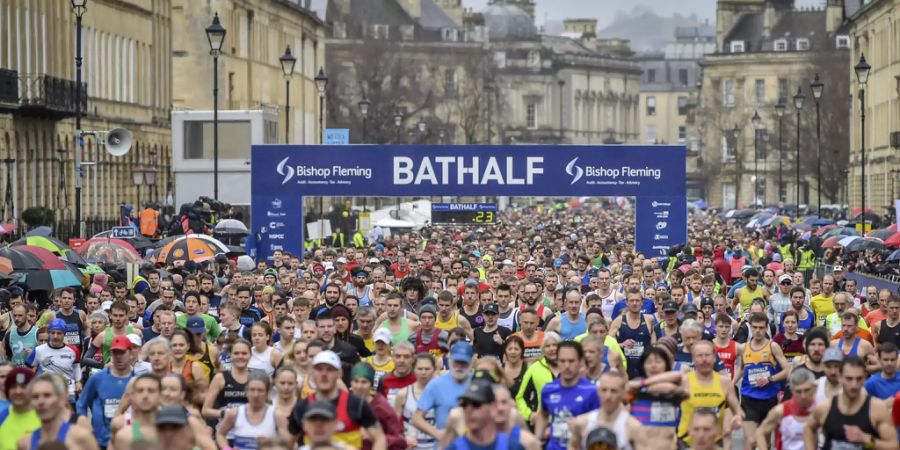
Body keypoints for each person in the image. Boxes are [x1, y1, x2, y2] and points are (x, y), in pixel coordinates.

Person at [285, 350, 385, 450]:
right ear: (312, 372)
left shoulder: (356, 404)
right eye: (319, 369)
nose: (324, 374)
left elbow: (380, 438)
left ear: (339, 373)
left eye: (329, 369)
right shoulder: (302, 406)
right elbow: (288, 442)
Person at [803, 356, 897, 448]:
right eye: (849, 379)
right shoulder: (825, 408)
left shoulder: (876, 409)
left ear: (865, 378)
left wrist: (866, 439)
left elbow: (894, 446)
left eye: (859, 379)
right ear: (840, 377)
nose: (854, 385)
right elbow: (809, 429)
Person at [734, 312, 790, 450]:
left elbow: (787, 371)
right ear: (751, 328)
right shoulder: (744, 348)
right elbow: (742, 369)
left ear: (766, 328)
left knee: (765, 442)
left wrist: (769, 379)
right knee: (752, 441)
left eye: (761, 328)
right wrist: (731, 383)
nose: (758, 331)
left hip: (769, 398)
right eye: (755, 327)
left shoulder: (773, 346)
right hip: (749, 399)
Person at [534, 341, 600, 450]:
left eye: (571, 361)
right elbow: (543, 415)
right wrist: (537, 441)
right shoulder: (549, 389)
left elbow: (601, 423)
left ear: (580, 362)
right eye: (562, 361)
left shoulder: (592, 391)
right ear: (557, 361)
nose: (567, 366)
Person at [76, 335, 135, 449]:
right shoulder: (97, 378)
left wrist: (137, 435)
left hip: (128, 442)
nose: (118, 356)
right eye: (114, 353)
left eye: (122, 352)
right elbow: (81, 404)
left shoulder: (137, 381)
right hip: (101, 442)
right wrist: (85, 427)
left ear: (131, 354)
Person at [411, 342, 473, 444]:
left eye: (463, 362)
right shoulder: (436, 384)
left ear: (471, 362)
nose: (459, 366)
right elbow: (416, 418)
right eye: (456, 361)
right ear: (450, 360)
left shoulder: (478, 382)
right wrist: (437, 434)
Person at [567, 371, 647, 450]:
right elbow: (572, 446)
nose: (608, 396)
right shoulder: (582, 423)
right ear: (598, 391)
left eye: (614, 391)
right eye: (604, 390)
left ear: (623, 393)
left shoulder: (634, 428)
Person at [19, 373, 99, 450]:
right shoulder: (24, 442)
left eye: (47, 395)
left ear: (62, 399)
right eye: (35, 397)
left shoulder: (82, 437)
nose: (41, 401)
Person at [625, 346, 683, 447]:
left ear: (666, 364)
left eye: (658, 362)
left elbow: (675, 379)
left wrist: (644, 384)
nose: (653, 366)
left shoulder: (676, 384)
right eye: (649, 362)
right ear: (643, 366)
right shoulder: (635, 385)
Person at [348, 363, 409, 450]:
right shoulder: (344, 402)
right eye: (356, 381)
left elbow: (400, 441)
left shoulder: (381, 407)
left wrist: (376, 436)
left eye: (364, 382)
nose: (359, 386)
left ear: (371, 384)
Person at [753, 368, 817, 450]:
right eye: (798, 391)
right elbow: (760, 432)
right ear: (792, 390)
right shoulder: (781, 411)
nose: (803, 396)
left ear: (814, 388)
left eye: (807, 390)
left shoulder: (821, 408)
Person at [216, 372, 279, 449]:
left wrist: (270, 443)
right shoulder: (235, 413)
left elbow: (288, 442)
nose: (256, 395)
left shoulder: (276, 414)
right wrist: (228, 449)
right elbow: (220, 435)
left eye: (260, 390)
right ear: (246, 391)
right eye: (252, 390)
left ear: (267, 392)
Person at [26, 319, 80, 404]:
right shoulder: (38, 350)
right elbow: (27, 369)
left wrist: (78, 382)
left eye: (59, 333)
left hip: (68, 393)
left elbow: (76, 367)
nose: (55, 336)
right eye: (52, 333)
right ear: (49, 334)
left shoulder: (73, 350)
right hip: (46, 392)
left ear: (64, 334)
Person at [609, 288, 657, 379]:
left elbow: (652, 338)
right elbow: (608, 344)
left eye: (637, 300)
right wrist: (622, 344)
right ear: (627, 302)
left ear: (642, 302)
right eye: (631, 300)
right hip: (625, 368)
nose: (634, 303)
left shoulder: (649, 319)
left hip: (644, 368)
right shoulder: (619, 320)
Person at [515, 332, 560, 425]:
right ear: (543, 349)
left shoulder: (568, 366)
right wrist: (529, 415)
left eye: (554, 345)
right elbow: (520, 397)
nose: (551, 349)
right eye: (548, 346)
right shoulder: (534, 369)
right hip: (543, 424)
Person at [395, 354, 437, 450]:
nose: (423, 372)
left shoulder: (441, 394)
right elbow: (394, 425)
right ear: (413, 370)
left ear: (434, 370)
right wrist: (403, 438)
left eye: (427, 369)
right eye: (420, 368)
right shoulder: (403, 394)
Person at [110, 373, 162, 450]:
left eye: (151, 391)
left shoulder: (171, 426)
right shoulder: (120, 424)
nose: (145, 395)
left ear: (160, 395)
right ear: (132, 396)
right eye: (140, 391)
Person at [0, 367, 39, 450]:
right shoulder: (2, 418)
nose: (18, 391)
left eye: (23, 386)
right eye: (13, 387)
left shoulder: (46, 417)